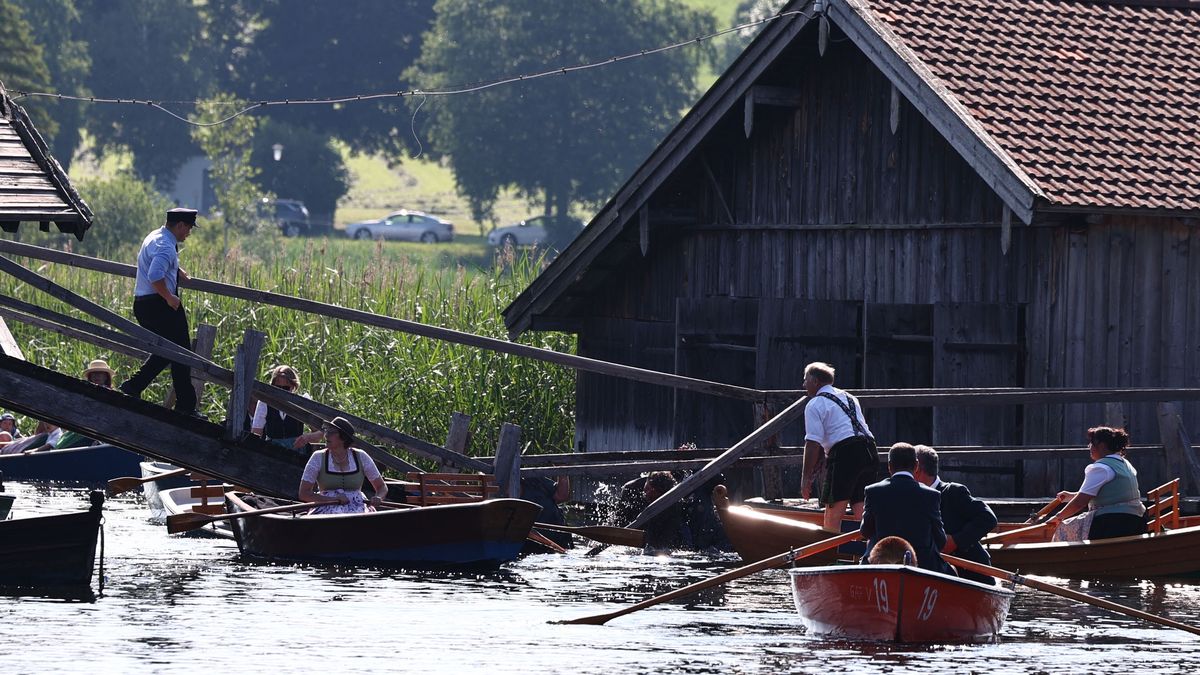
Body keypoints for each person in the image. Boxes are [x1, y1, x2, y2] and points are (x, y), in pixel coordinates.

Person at [117, 207, 202, 417]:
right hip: (159, 304)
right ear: (180, 225)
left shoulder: (155, 236)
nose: (188, 233)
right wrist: (169, 297)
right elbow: (155, 275)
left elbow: (152, 264)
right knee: (181, 352)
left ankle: (135, 386)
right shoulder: (166, 246)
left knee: (170, 350)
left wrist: (174, 269)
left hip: (144, 303)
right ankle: (185, 406)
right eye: (188, 228)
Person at [800, 361, 878, 533]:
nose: (804, 384)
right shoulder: (850, 398)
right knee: (861, 508)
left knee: (833, 510)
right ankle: (866, 553)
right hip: (869, 451)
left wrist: (805, 479)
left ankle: (829, 553)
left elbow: (812, 443)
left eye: (805, 380)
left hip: (846, 454)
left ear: (815, 381)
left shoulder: (815, 404)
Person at [860, 442, 952, 574]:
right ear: (916, 466)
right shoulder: (931, 495)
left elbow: (866, 531)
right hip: (923, 567)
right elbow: (940, 540)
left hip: (881, 565)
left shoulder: (873, 491)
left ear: (889, 466)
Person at [913, 444, 998, 584]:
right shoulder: (911, 498)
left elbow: (988, 518)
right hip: (930, 575)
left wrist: (956, 541)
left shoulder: (953, 492)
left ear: (917, 469)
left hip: (970, 574)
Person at [1049, 426, 1146, 541]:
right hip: (1137, 519)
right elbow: (1105, 494)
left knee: (1062, 528)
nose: (1089, 447)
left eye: (1091, 443)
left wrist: (1058, 517)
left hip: (1113, 522)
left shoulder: (1100, 468)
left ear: (1101, 445)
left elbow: (1080, 502)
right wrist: (1070, 496)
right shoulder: (1124, 463)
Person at [298, 417, 388, 514]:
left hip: (358, 508)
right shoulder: (318, 457)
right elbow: (304, 494)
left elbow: (382, 487)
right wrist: (332, 499)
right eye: (326, 431)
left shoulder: (361, 456)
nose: (326, 435)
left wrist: (378, 497)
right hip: (326, 509)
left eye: (332, 432)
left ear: (344, 437)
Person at [251, 365, 312, 451]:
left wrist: (307, 438)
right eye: (278, 387)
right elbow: (256, 432)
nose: (281, 391)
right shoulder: (265, 402)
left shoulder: (302, 401)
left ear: (293, 386)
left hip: (297, 451)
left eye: (286, 388)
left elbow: (319, 430)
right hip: (272, 450)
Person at [640, 471, 692, 553]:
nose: (645, 493)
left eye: (648, 490)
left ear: (658, 491)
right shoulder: (653, 504)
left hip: (673, 545)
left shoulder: (671, 509)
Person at [522, 475, 572, 548]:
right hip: (531, 544)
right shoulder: (502, 489)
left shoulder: (536, 480)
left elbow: (561, 496)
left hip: (560, 536)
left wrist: (563, 473)